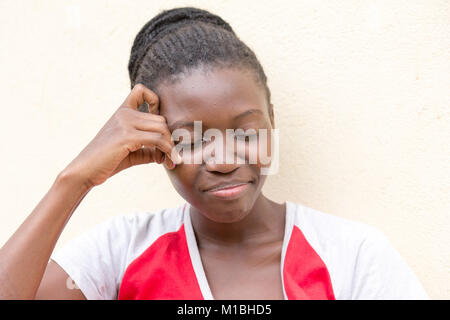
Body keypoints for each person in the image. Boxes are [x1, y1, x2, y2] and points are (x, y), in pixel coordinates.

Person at [0, 7, 428, 300]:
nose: (224, 160)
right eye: (192, 139)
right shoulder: (122, 250)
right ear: (152, 140)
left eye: (246, 132)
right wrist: (74, 180)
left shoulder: (352, 255)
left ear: (272, 123)